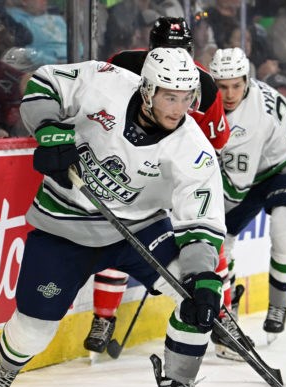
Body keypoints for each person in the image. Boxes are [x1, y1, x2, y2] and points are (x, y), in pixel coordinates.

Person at [0, 47, 236, 387]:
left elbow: (199, 221)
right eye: (168, 96)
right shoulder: (105, 82)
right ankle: (5, 368)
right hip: (66, 222)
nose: (177, 109)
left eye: (185, 99)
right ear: (147, 90)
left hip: (139, 229)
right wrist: (48, 128)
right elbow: (43, 84)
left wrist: (204, 277)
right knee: (33, 329)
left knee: (195, 291)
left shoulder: (193, 148)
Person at [83, 17, 247, 362]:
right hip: (128, 166)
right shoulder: (125, 65)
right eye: (165, 49)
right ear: (151, 46)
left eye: (179, 49)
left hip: (177, 168)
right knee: (117, 233)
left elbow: (215, 141)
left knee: (205, 241)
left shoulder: (200, 81)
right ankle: (103, 317)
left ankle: (220, 321)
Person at [209, 48, 286, 341]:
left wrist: (199, 215)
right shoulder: (213, 97)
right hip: (252, 168)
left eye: (236, 85)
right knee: (220, 238)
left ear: (247, 80)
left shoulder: (248, 123)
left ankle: (278, 306)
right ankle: (226, 305)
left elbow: (234, 191)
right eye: (223, 86)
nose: (230, 94)